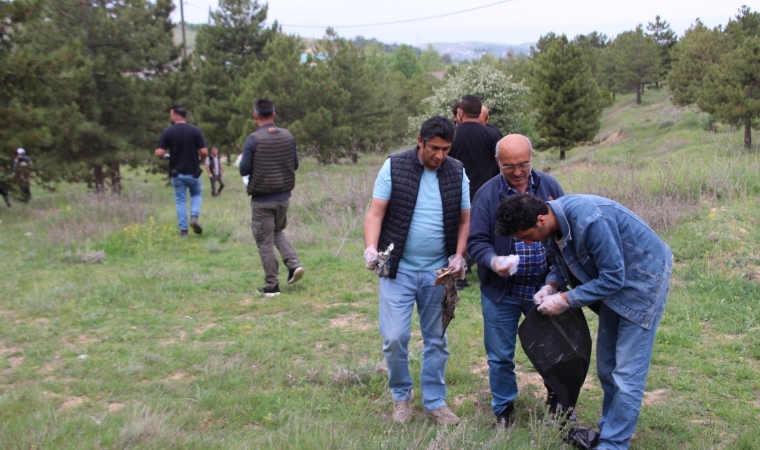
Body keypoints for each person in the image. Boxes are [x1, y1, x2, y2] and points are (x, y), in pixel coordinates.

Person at [496, 193, 673, 450]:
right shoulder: (551, 230)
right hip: (614, 289)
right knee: (607, 368)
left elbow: (614, 277)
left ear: (540, 220)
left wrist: (566, 299)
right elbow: (561, 263)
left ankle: (614, 443)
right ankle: (610, 431)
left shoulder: (590, 220)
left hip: (642, 283)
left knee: (626, 374)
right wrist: (551, 285)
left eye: (526, 236)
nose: (528, 243)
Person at [363, 116, 470, 425]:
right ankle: (401, 396)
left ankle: (435, 401)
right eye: (434, 148)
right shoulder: (394, 166)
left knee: (436, 339)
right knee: (395, 337)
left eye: (446, 149)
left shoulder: (457, 172)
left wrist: (459, 257)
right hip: (399, 269)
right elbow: (376, 213)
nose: (439, 155)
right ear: (420, 141)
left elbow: (465, 219)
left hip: (438, 272)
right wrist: (371, 248)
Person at [467, 134, 565, 428]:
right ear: (498, 162)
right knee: (499, 356)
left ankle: (558, 404)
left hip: (544, 288)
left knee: (554, 352)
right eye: (510, 167)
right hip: (503, 292)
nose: (519, 172)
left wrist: (554, 282)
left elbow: (563, 234)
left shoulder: (550, 187)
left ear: (532, 157)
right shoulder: (486, 194)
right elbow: (477, 241)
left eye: (524, 164)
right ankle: (503, 411)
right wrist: (493, 261)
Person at [239, 98, 304, 297]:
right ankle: (293, 265)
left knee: (264, 240)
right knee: (277, 231)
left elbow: (244, 168)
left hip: (262, 198)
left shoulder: (253, 139)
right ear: (274, 115)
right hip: (283, 196)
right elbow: (295, 164)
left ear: (255, 116)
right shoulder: (287, 136)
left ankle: (272, 286)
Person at [155, 105, 208, 237]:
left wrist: (160, 153)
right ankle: (194, 216)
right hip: (194, 171)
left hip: (177, 172)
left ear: (175, 116)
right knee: (196, 194)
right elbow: (204, 151)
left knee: (180, 200)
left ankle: (183, 230)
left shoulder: (168, 132)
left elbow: (160, 152)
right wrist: (200, 161)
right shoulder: (195, 131)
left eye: (171, 114)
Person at [449, 95, 499, 201]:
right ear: (479, 112)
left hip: (456, 192)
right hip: (485, 192)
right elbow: (499, 163)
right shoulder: (492, 134)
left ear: (461, 112)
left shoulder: (451, 135)